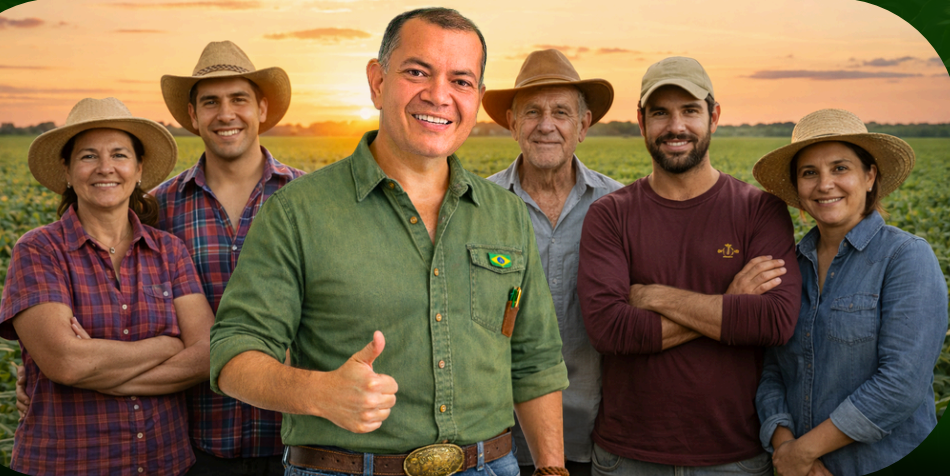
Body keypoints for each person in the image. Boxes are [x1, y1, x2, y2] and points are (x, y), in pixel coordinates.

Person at [209, 8, 569, 476]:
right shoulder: (298, 213)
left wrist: (552, 469)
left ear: (477, 98)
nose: (439, 95)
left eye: (460, 81)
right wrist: (319, 393)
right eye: (417, 72)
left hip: (492, 467)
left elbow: (535, 360)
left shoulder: (505, 216)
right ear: (378, 82)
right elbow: (233, 352)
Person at [576, 56, 802, 475]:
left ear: (713, 117)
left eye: (690, 110)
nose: (675, 126)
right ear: (642, 122)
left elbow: (773, 320)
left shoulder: (760, 211)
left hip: (734, 455)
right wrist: (729, 304)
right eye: (660, 113)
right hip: (628, 455)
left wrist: (653, 295)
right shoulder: (611, 215)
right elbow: (610, 329)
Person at [0, 97, 214, 475]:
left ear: (138, 169)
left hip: (164, 463)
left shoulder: (169, 250)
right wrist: (167, 345)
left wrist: (98, 371)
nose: (105, 168)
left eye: (119, 154)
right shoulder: (38, 250)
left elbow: (207, 356)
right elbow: (65, 362)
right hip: (66, 464)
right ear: (67, 171)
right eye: (87, 156)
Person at [752, 109, 948, 476]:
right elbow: (771, 371)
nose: (825, 184)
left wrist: (804, 452)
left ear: (870, 175)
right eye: (809, 173)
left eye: (840, 168)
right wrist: (785, 448)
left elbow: (901, 383)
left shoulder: (905, 257)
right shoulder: (788, 265)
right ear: (797, 187)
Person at [483, 49, 622, 476]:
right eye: (532, 112)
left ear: (583, 126)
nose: (546, 125)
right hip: (498, 436)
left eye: (561, 112)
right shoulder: (477, 208)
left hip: (596, 433)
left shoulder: (619, 206)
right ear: (511, 123)